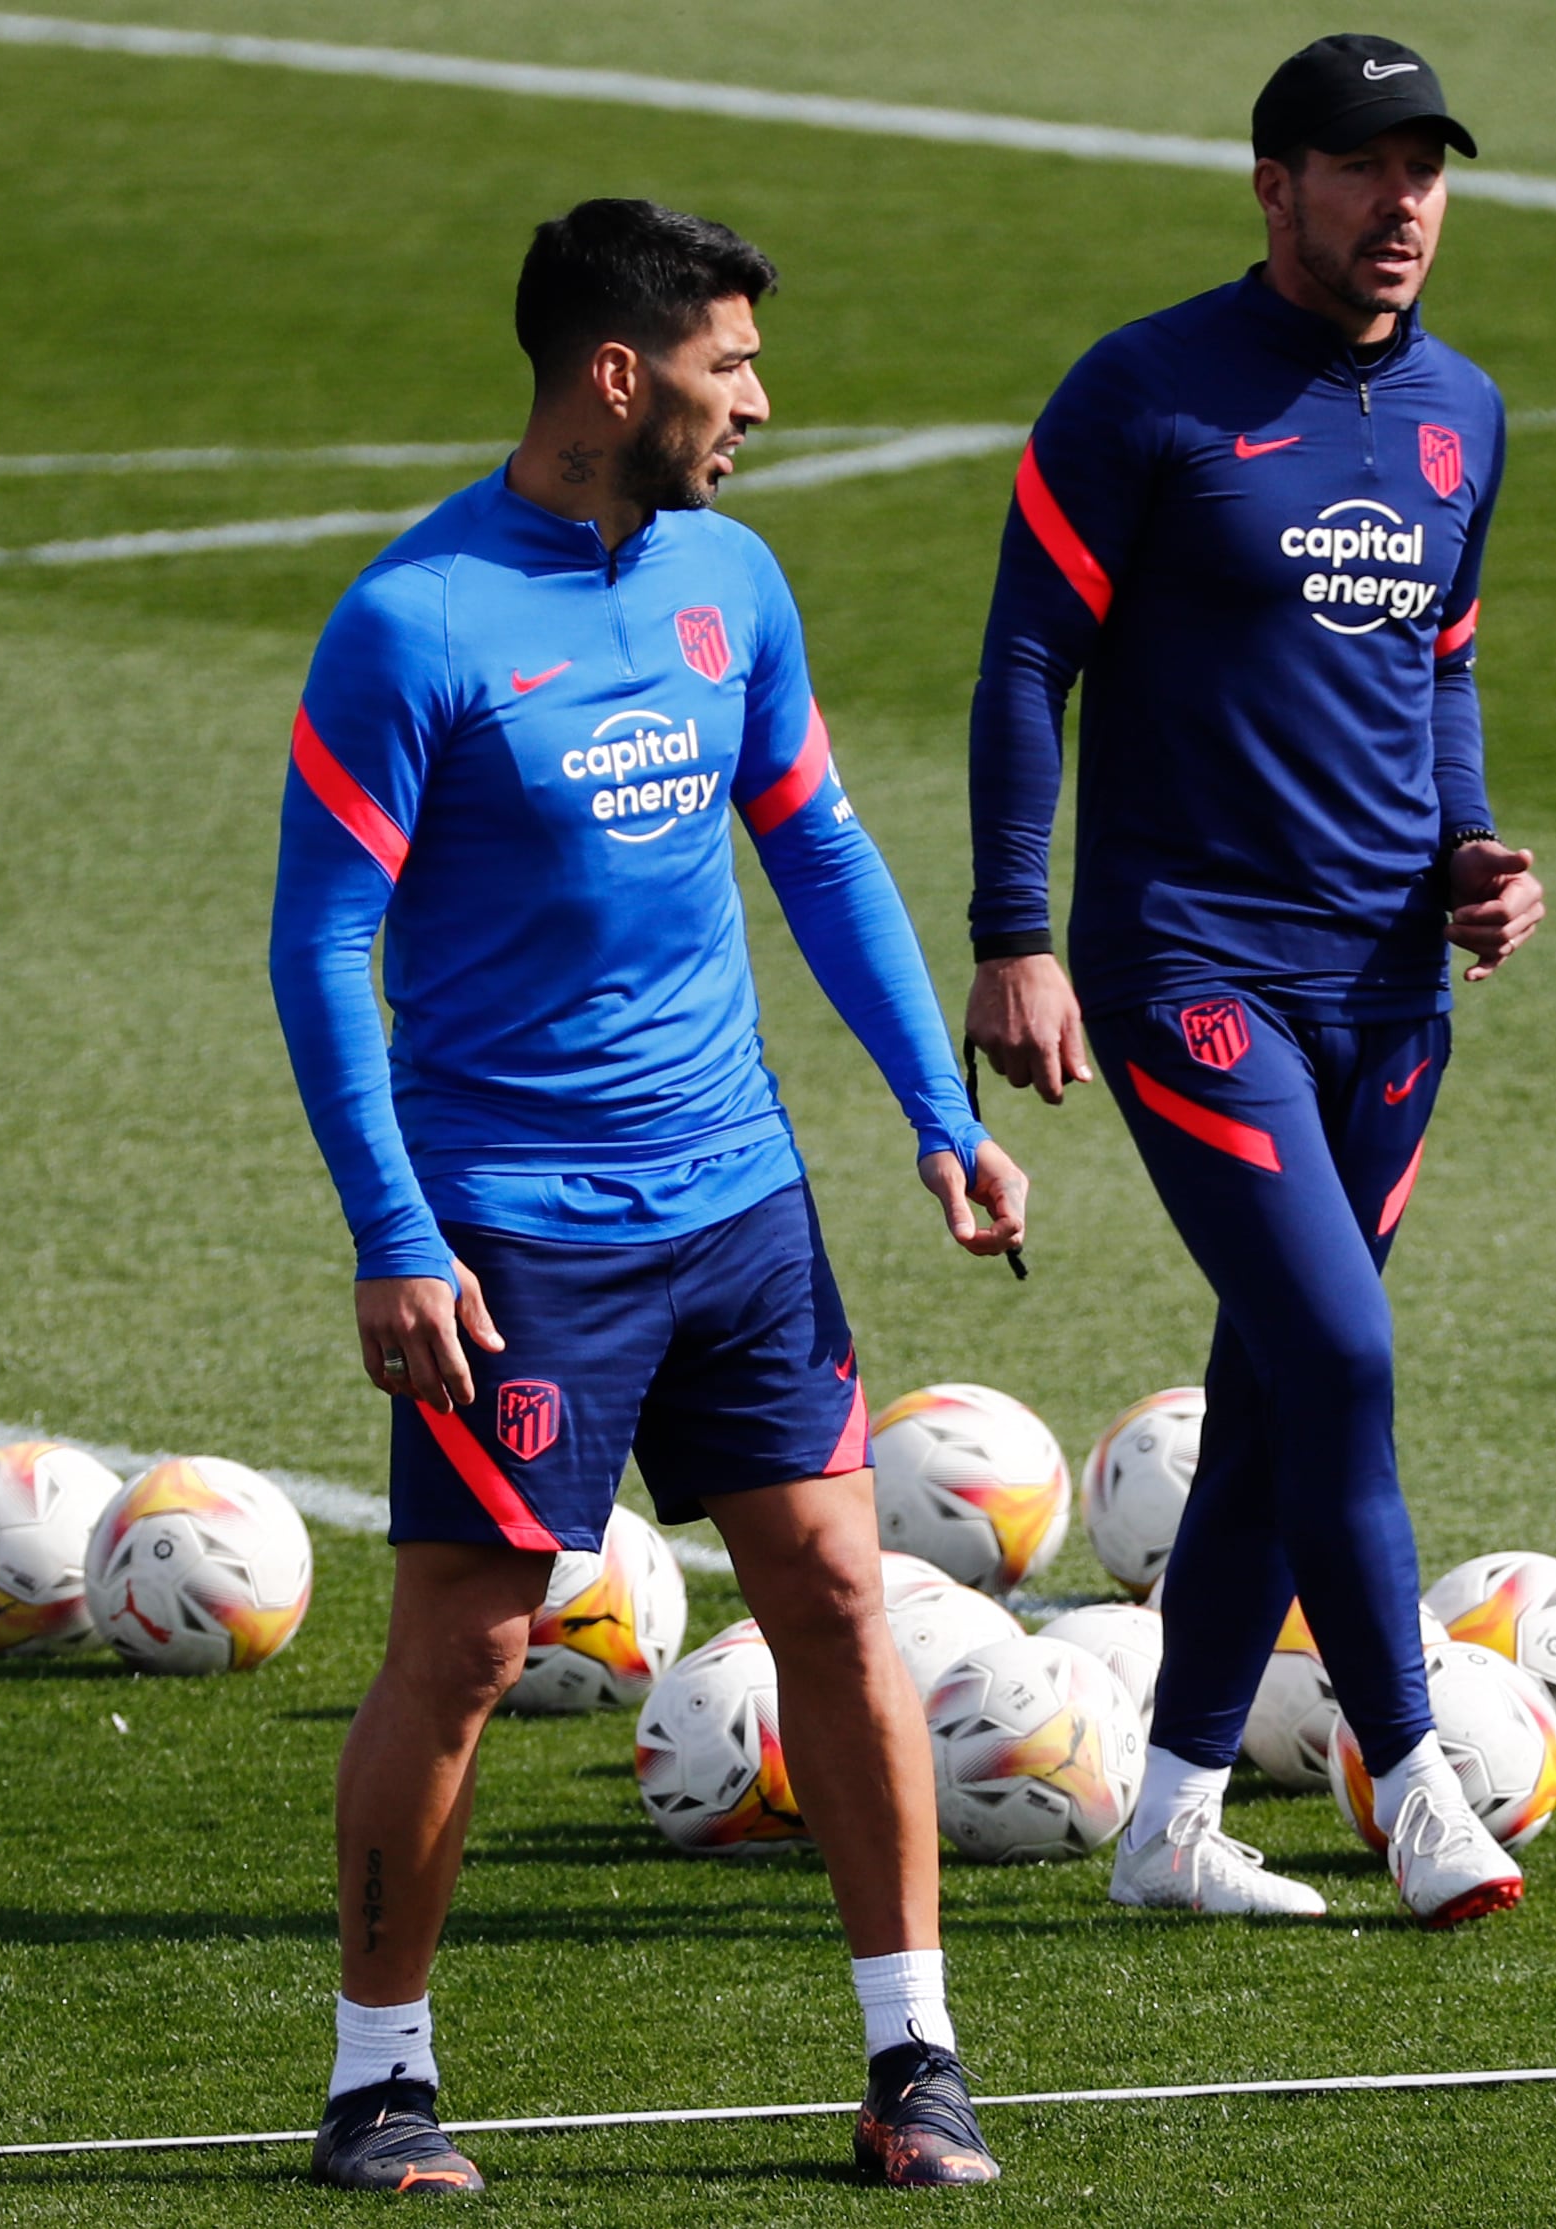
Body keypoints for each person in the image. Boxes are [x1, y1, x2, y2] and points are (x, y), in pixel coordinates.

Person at [269, 198, 1023, 2193]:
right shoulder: (414, 621)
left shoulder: (731, 580)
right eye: (731, 365)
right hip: (517, 1221)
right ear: (621, 372)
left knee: (842, 1589)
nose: (758, 403)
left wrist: (934, 1116)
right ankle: (378, 2079)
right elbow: (315, 942)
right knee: (471, 1644)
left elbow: (823, 852)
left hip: (740, 1199)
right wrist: (392, 1223)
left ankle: (911, 2054)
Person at [965, 36, 1547, 1927]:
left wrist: (1471, 852)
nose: (1404, 207)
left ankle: (1173, 1820)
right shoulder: (1143, 395)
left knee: (1282, 1377)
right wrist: (1013, 934)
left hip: (1389, 988)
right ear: (1271, 185)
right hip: (1192, 962)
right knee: (1344, 1353)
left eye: (1426, 171)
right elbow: (1021, 664)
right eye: (1364, 169)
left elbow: (1439, 662)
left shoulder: (1464, 410)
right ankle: (1411, 1778)